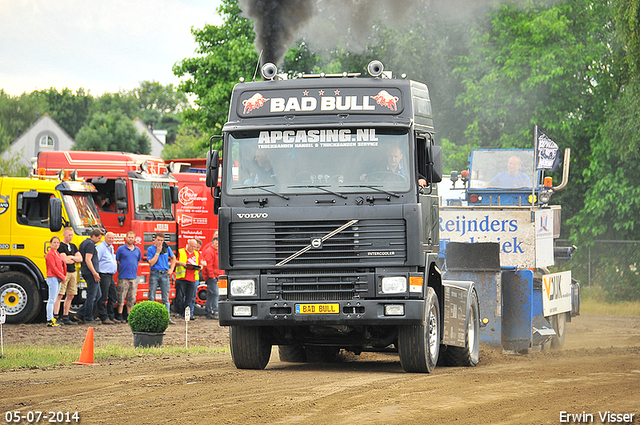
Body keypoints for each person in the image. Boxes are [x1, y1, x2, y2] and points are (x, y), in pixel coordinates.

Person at [53, 226, 82, 326]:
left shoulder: (73, 246)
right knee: (60, 294)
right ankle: (55, 316)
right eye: (69, 235)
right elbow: (64, 260)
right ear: (64, 235)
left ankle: (66, 316)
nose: (71, 237)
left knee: (71, 294)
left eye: (72, 235)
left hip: (73, 272)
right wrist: (74, 258)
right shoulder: (60, 246)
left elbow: (80, 258)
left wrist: (72, 257)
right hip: (64, 272)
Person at [146, 232, 176, 324]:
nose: (160, 242)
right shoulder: (151, 249)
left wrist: (171, 269)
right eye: (158, 240)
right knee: (151, 296)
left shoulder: (166, 248)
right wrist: (158, 252)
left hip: (165, 274)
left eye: (162, 240)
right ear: (154, 239)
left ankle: (167, 317)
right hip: (154, 273)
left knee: (165, 297)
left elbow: (173, 257)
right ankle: (151, 317)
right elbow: (151, 263)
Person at [75, 229, 103, 324]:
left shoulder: (84, 243)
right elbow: (88, 259)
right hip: (90, 273)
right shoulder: (90, 244)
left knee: (98, 295)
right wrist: (95, 273)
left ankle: (80, 313)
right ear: (94, 236)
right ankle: (88, 317)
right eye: (99, 238)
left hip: (87, 271)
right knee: (92, 295)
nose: (100, 240)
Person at [115, 231, 142, 323]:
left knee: (132, 297)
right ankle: (119, 315)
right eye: (129, 237)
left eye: (132, 237)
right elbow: (117, 261)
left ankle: (129, 316)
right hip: (123, 277)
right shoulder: (121, 249)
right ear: (126, 238)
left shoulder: (137, 250)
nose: (130, 239)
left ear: (135, 239)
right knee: (121, 296)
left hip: (133, 277)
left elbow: (138, 261)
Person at [174, 239, 202, 320]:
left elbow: (200, 263)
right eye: (192, 246)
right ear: (188, 245)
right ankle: (179, 312)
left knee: (190, 298)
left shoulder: (197, 254)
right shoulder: (180, 251)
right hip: (182, 277)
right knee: (180, 296)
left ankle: (188, 314)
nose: (193, 248)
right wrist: (181, 263)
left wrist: (200, 267)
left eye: (195, 247)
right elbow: (174, 261)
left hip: (192, 278)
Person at [96, 231, 118, 325]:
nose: (111, 240)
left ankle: (111, 316)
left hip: (110, 275)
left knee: (113, 296)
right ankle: (103, 317)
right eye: (109, 238)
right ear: (105, 238)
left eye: (113, 238)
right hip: (103, 274)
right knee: (103, 296)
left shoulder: (111, 247)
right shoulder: (100, 247)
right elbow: (96, 260)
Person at [45, 236, 66, 327]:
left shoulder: (57, 254)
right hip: (53, 277)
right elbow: (53, 268)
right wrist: (62, 276)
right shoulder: (50, 254)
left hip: (57, 278)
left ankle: (51, 318)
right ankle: (49, 319)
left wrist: (62, 276)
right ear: (51, 243)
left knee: (53, 298)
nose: (56, 244)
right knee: (52, 299)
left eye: (58, 242)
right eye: (54, 242)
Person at [202, 232, 222, 320]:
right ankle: (215, 311)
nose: (217, 245)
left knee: (211, 295)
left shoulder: (214, 251)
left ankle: (209, 312)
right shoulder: (210, 251)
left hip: (215, 276)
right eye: (216, 243)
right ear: (213, 243)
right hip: (213, 277)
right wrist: (212, 276)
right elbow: (209, 265)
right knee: (215, 294)